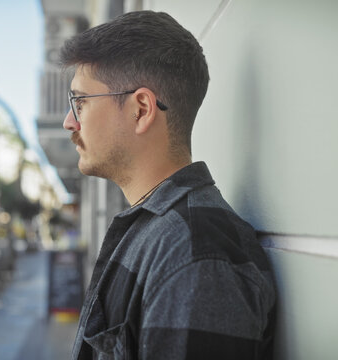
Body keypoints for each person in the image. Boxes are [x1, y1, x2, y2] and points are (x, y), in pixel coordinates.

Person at [60, 11, 276, 359]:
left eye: (80, 102)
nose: (70, 122)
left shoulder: (193, 256)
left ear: (142, 109)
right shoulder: (160, 233)